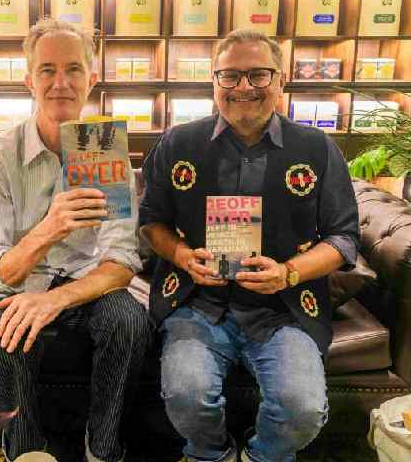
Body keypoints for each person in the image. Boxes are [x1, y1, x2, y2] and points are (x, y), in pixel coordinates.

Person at [139, 29, 360, 462]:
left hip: (285, 309)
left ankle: (262, 456)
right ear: (213, 81)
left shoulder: (317, 149)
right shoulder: (177, 143)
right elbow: (151, 223)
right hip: (197, 302)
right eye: (230, 76)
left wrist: (288, 273)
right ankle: (210, 455)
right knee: (186, 394)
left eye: (258, 76)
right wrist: (183, 256)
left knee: (303, 409)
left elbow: (343, 236)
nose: (243, 88)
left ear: (281, 80)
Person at [0, 18, 153, 462]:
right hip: (13, 281)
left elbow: (122, 259)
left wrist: (56, 300)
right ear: (29, 79)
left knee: (130, 322)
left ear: (91, 79)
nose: (60, 83)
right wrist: (49, 228)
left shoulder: (104, 150)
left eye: (73, 69)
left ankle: (103, 447)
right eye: (47, 70)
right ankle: (27, 449)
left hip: (83, 281)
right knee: (7, 332)